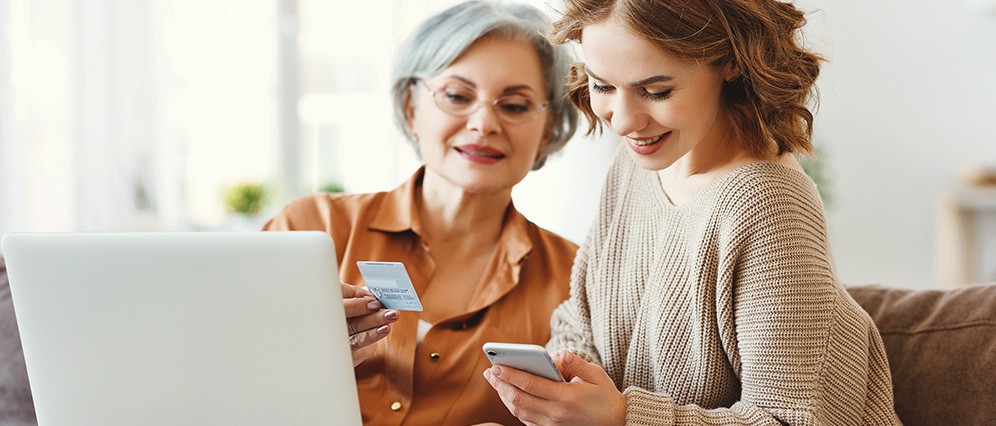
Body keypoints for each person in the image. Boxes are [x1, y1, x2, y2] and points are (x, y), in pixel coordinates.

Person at [483, 0, 902, 424]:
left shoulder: (769, 205)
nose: (624, 121)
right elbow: (581, 317)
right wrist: (568, 378)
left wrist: (621, 417)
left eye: (656, 91)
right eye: (603, 86)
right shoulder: (638, 163)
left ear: (731, 62)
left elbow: (789, 419)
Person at [263, 1, 580, 424]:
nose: (484, 123)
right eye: (456, 96)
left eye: (516, 105)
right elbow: (216, 368)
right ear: (412, 108)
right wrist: (290, 352)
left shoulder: (576, 279)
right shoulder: (310, 228)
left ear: (548, 129)